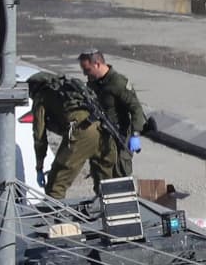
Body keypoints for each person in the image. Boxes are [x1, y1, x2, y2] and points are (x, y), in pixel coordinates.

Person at [27, 71, 104, 200]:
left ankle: (55, 219)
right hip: (102, 128)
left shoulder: (41, 96)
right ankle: (116, 216)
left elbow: (39, 136)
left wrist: (39, 167)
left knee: (56, 185)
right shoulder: (67, 89)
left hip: (80, 130)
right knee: (106, 183)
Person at [78, 50, 147, 184]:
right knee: (100, 177)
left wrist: (135, 134)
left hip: (119, 138)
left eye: (87, 69)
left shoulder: (118, 83)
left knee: (121, 178)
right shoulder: (93, 83)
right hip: (100, 138)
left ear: (97, 64)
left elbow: (136, 109)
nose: (85, 73)